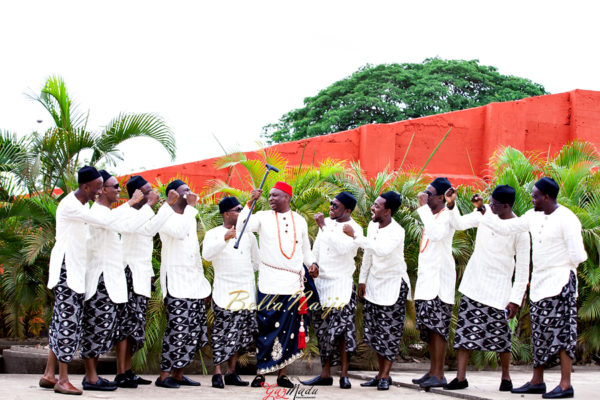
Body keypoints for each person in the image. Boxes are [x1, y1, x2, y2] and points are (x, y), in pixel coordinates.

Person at [480, 177, 587, 399]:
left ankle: (565, 384)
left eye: (535, 195)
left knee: (563, 334)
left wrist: (559, 265)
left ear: (546, 197)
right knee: (539, 334)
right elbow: (504, 227)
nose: (532, 198)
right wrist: (483, 210)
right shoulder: (532, 216)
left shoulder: (567, 218)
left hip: (561, 283)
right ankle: (537, 381)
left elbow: (578, 256)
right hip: (539, 284)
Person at [39, 166, 141, 395]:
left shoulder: (81, 204)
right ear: (85, 187)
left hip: (75, 270)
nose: (99, 193)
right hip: (68, 269)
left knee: (62, 323)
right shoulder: (72, 205)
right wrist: (132, 203)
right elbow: (104, 221)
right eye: (97, 188)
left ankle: (49, 374)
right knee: (67, 324)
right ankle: (62, 380)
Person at [444, 185, 530, 392]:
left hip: (500, 290)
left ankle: (506, 378)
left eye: (495, 204)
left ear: (507, 206)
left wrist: (515, 299)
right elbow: (459, 224)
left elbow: (523, 268)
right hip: (474, 284)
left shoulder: (520, 229)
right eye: (490, 202)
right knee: (465, 334)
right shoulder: (484, 214)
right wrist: (451, 203)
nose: (491, 206)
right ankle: (461, 378)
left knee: (502, 338)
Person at [239, 181, 319, 389]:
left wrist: (313, 264)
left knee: (289, 332)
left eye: (276, 195)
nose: (271, 198)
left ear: (288, 198)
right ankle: (260, 374)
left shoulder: (300, 220)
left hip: (293, 284)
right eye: (270, 196)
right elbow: (242, 226)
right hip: (269, 284)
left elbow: (306, 251)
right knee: (265, 329)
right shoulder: (262, 217)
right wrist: (250, 203)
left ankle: (282, 375)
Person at [79, 170, 145, 391]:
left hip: (111, 283)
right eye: (114, 186)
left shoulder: (109, 213)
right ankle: (90, 377)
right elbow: (111, 221)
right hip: (99, 281)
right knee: (95, 329)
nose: (119, 190)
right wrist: (133, 203)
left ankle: (94, 376)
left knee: (105, 329)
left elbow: (126, 226)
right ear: (102, 190)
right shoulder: (96, 212)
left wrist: (145, 207)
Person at [113, 175, 179, 388]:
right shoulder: (129, 213)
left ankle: (129, 370)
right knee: (126, 325)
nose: (153, 193)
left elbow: (150, 233)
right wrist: (160, 206)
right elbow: (145, 229)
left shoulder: (145, 213)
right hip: (129, 273)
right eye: (147, 190)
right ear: (137, 194)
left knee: (135, 325)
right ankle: (121, 372)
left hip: (141, 274)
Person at [343, 191, 410, 391]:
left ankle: (385, 375)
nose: (373, 207)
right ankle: (381, 373)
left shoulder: (397, 231)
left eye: (378, 206)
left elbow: (380, 249)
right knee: (375, 333)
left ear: (388, 211)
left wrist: (355, 236)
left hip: (393, 285)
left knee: (390, 332)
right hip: (374, 284)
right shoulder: (373, 225)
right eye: (374, 204)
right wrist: (362, 280)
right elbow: (369, 254)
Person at [300, 191, 362, 389]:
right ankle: (325, 374)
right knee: (323, 331)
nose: (331, 208)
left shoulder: (354, 228)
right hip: (322, 285)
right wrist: (314, 264)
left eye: (335, 206)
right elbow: (316, 248)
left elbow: (343, 249)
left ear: (347, 210)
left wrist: (323, 226)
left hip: (341, 285)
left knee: (342, 331)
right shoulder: (325, 224)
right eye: (331, 204)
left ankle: (344, 375)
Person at [155, 179, 212, 389]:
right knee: (177, 329)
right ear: (173, 194)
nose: (189, 193)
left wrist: (202, 283)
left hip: (193, 284)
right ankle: (164, 375)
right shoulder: (166, 215)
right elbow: (177, 232)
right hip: (176, 283)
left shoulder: (189, 216)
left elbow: (195, 255)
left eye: (189, 188)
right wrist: (191, 208)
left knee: (192, 331)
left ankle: (179, 373)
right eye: (184, 190)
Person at [202, 196, 259, 389]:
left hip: (244, 292)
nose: (242, 212)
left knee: (237, 335)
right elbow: (207, 255)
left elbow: (256, 262)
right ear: (226, 213)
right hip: (224, 291)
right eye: (238, 209)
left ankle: (231, 373)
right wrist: (224, 239)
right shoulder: (213, 233)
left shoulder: (249, 235)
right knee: (221, 333)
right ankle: (217, 373)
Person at [413, 177, 456, 388]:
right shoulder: (434, 215)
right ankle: (432, 371)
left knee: (438, 329)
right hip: (427, 281)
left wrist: (423, 209)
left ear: (441, 197)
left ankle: (439, 374)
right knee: (429, 328)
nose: (425, 196)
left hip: (439, 282)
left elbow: (437, 234)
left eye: (429, 193)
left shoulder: (447, 215)